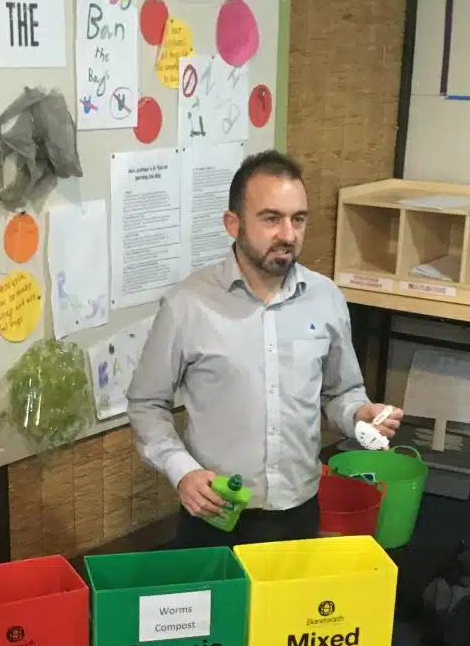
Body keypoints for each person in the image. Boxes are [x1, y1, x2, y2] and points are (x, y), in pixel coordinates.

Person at [127, 150, 402, 548]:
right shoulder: (187, 305)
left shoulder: (325, 298)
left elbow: (341, 392)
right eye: (271, 218)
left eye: (298, 219)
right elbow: (146, 403)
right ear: (233, 223)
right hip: (216, 515)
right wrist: (181, 470)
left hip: (301, 512)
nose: (288, 235)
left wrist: (360, 414)